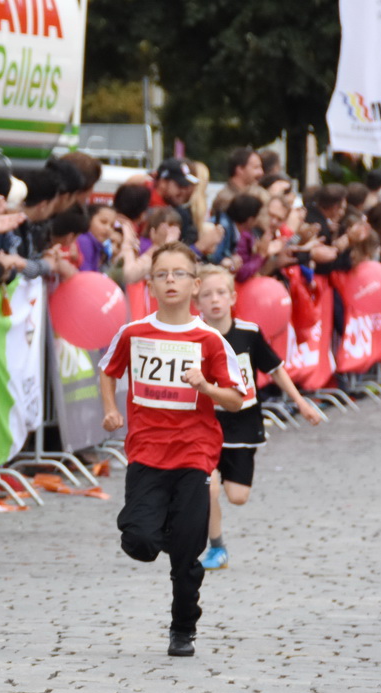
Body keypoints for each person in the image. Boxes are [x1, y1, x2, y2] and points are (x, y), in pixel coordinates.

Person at [99, 242, 247, 658]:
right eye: (162, 274)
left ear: (195, 285)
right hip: (146, 452)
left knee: (186, 556)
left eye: (179, 274)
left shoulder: (210, 340)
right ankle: (161, 529)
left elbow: (236, 399)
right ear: (150, 284)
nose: (170, 281)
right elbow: (108, 371)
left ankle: (183, 629)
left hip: (194, 455)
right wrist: (111, 409)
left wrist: (205, 387)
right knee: (140, 542)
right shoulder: (134, 333)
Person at [192, 266, 322, 572]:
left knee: (237, 497)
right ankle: (217, 547)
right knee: (207, 486)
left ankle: (218, 488)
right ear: (197, 303)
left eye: (221, 293)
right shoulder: (194, 336)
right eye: (207, 294)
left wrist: (301, 403)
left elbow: (275, 368)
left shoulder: (248, 333)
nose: (214, 300)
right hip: (207, 421)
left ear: (233, 297)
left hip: (244, 421)